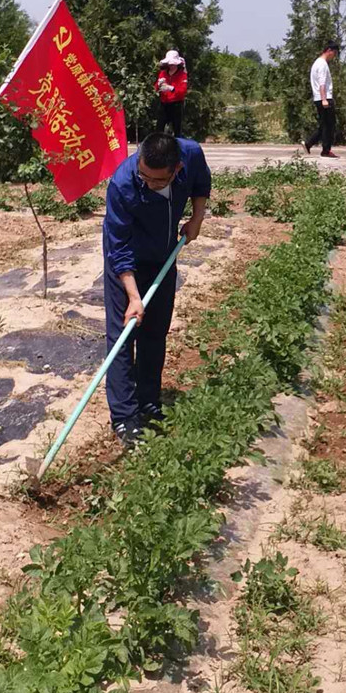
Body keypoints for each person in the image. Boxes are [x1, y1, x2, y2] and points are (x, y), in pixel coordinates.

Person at [103, 130, 211, 447]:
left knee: (156, 330)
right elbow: (118, 246)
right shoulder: (123, 184)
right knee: (124, 336)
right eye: (144, 176)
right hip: (126, 261)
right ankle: (124, 417)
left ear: (176, 170)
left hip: (163, 255)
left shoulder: (189, 155)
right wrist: (134, 297)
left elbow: (201, 183)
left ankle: (149, 401)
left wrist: (197, 218)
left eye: (156, 181)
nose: (148, 183)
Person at [304, 42, 340, 158]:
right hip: (324, 98)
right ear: (329, 50)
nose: (334, 56)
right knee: (330, 125)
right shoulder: (322, 64)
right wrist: (324, 99)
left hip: (319, 98)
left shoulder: (317, 63)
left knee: (324, 125)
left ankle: (309, 143)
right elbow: (322, 83)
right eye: (334, 53)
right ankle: (325, 150)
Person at [154, 50, 188, 138]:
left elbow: (183, 90)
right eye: (169, 64)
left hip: (176, 104)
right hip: (164, 104)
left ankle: (177, 148)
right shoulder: (163, 73)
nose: (171, 66)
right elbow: (156, 88)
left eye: (173, 64)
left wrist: (171, 88)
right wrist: (159, 84)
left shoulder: (182, 75)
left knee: (177, 128)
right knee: (159, 127)